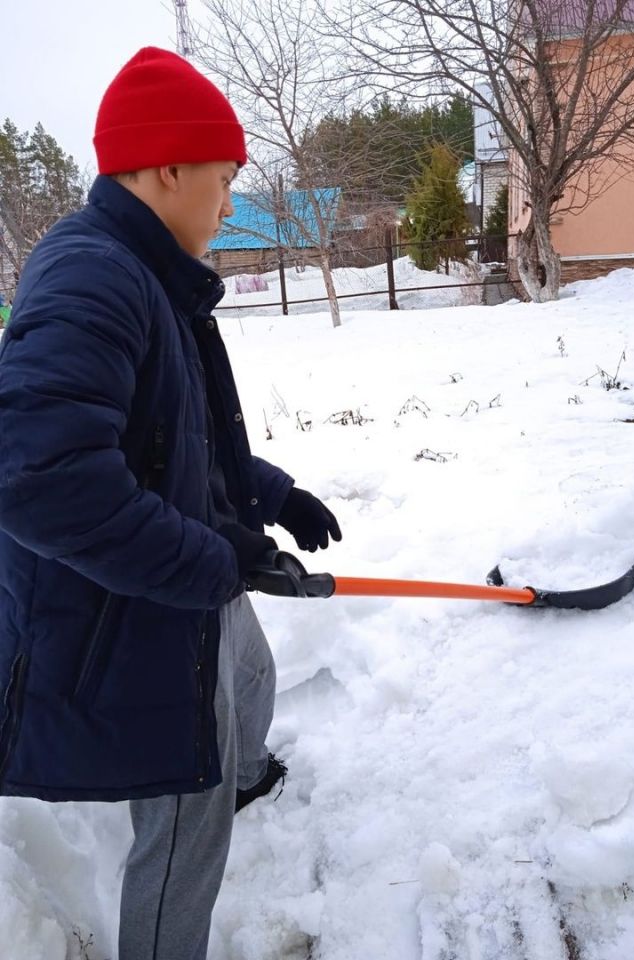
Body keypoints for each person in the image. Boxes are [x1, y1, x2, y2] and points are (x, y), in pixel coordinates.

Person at [0, 47, 341, 960]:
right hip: (126, 608)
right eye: (224, 179)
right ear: (167, 168)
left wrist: (273, 495)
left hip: (168, 572)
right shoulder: (93, 276)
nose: (230, 202)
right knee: (186, 829)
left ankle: (247, 771)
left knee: (253, 673)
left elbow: (178, 437)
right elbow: (40, 478)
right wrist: (209, 564)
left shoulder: (147, 272)